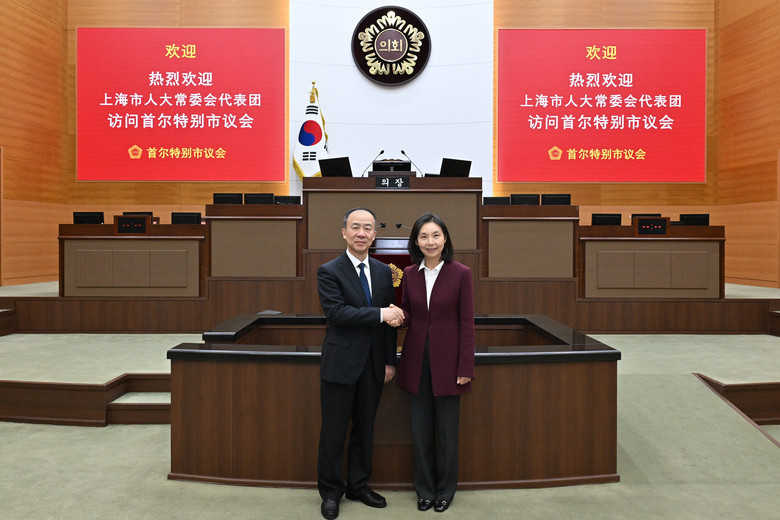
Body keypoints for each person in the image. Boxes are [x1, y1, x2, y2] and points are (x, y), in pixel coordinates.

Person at [316, 207, 404, 520]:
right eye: (355, 227)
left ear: (375, 235)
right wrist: (381, 313)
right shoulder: (329, 271)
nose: (361, 233)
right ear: (344, 232)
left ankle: (358, 485)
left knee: (365, 429)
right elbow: (337, 313)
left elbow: (389, 323)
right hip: (340, 364)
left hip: (373, 365)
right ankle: (330, 492)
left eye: (367, 228)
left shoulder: (383, 271)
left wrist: (389, 361)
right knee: (334, 431)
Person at [394, 213, 475, 513]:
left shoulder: (461, 273)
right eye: (424, 236)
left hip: (449, 365)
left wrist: (465, 367)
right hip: (416, 362)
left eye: (436, 235)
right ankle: (425, 490)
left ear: (445, 239)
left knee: (446, 434)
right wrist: (397, 316)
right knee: (421, 432)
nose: (430, 242)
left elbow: (466, 323)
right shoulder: (410, 273)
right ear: (416, 242)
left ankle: (445, 490)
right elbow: (410, 313)